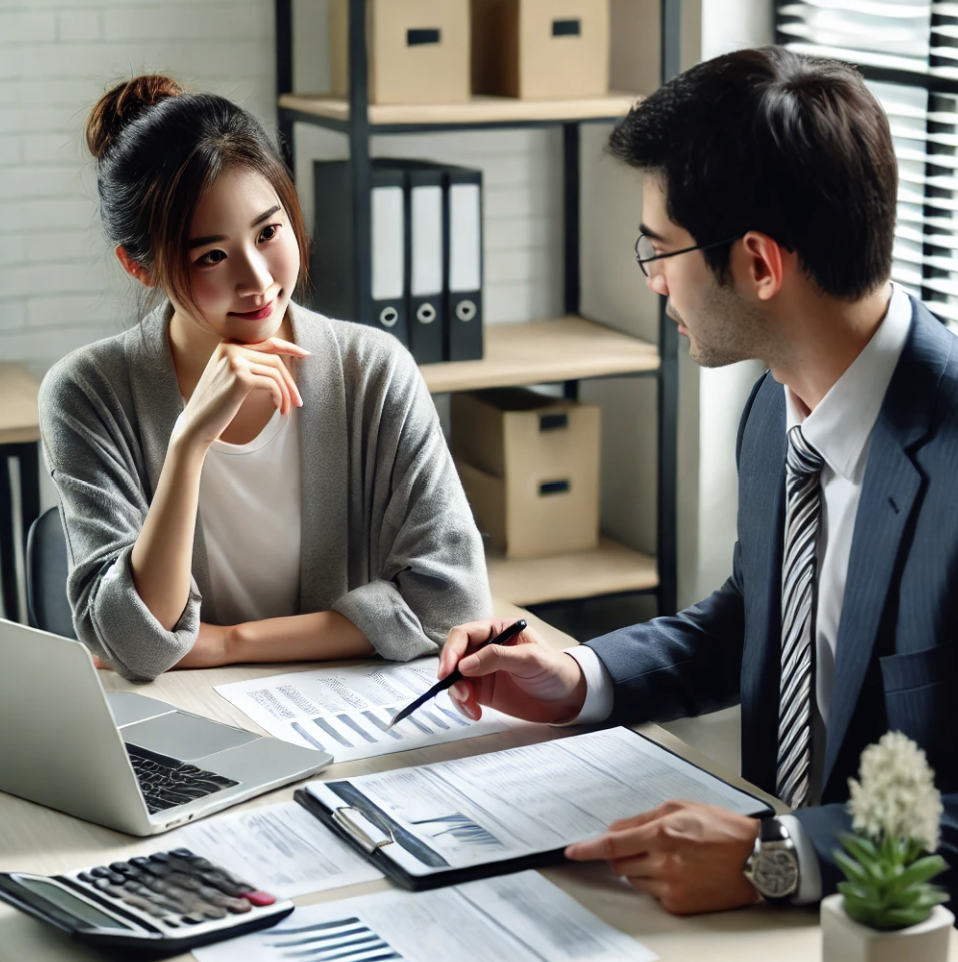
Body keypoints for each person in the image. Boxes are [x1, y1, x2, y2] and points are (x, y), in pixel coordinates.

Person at [439, 46, 958, 915]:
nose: (651, 280)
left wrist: (779, 855)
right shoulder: (776, 409)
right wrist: (579, 678)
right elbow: (759, 618)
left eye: (660, 248)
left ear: (758, 264)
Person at [38, 75, 491, 683]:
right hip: (184, 722)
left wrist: (225, 644)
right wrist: (188, 444)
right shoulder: (87, 395)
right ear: (138, 267)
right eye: (211, 256)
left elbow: (453, 602)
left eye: (268, 232)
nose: (256, 280)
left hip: (346, 711)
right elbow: (134, 646)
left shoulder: (374, 371)